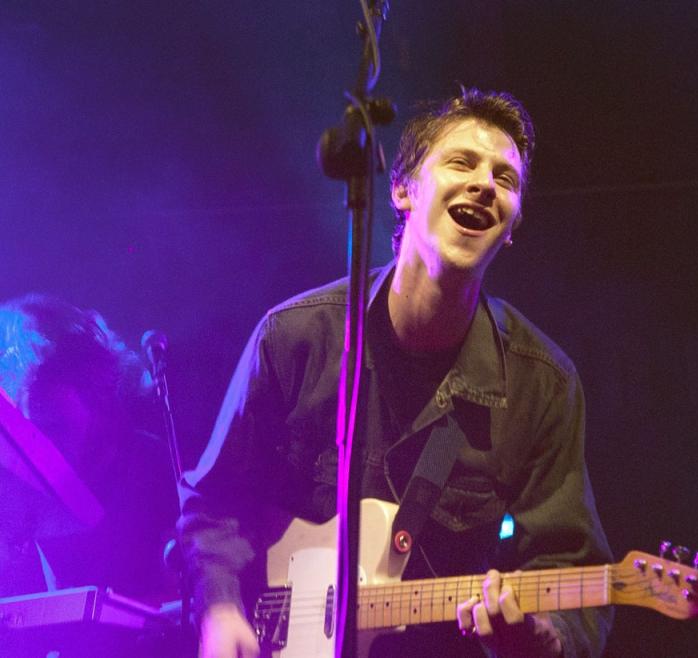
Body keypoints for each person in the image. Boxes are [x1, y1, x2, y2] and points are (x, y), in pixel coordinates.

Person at [178, 88, 613, 657]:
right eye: (462, 163)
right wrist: (220, 607)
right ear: (402, 189)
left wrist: (542, 638)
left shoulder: (541, 385)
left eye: (506, 180)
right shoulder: (296, 338)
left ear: (511, 227)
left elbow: (570, 565)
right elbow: (215, 504)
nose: (485, 183)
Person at [0, 295, 178, 654]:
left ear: (95, 397)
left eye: (54, 428)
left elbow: (186, 592)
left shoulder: (148, 462)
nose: (46, 445)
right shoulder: (15, 484)